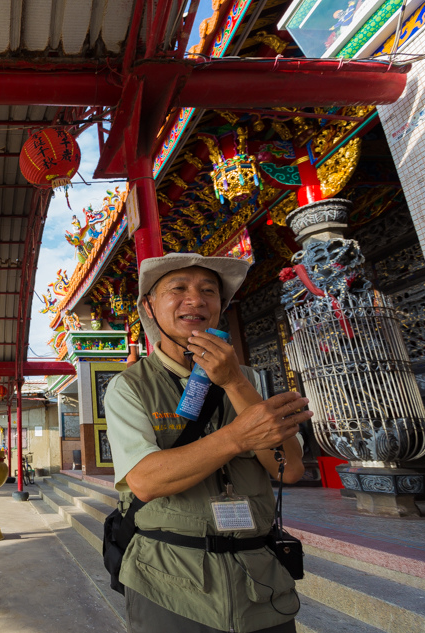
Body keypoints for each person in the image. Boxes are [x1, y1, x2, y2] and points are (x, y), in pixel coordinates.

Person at [104, 253, 310, 633]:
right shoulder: (130, 386)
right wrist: (236, 437)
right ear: (149, 306)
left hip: (260, 581)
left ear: (220, 306)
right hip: (169, 579)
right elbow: (146, 481)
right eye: (178, 289)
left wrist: (233, 382)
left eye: (208, 291)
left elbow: (291, 468)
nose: (195, 300)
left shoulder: (251, 380)